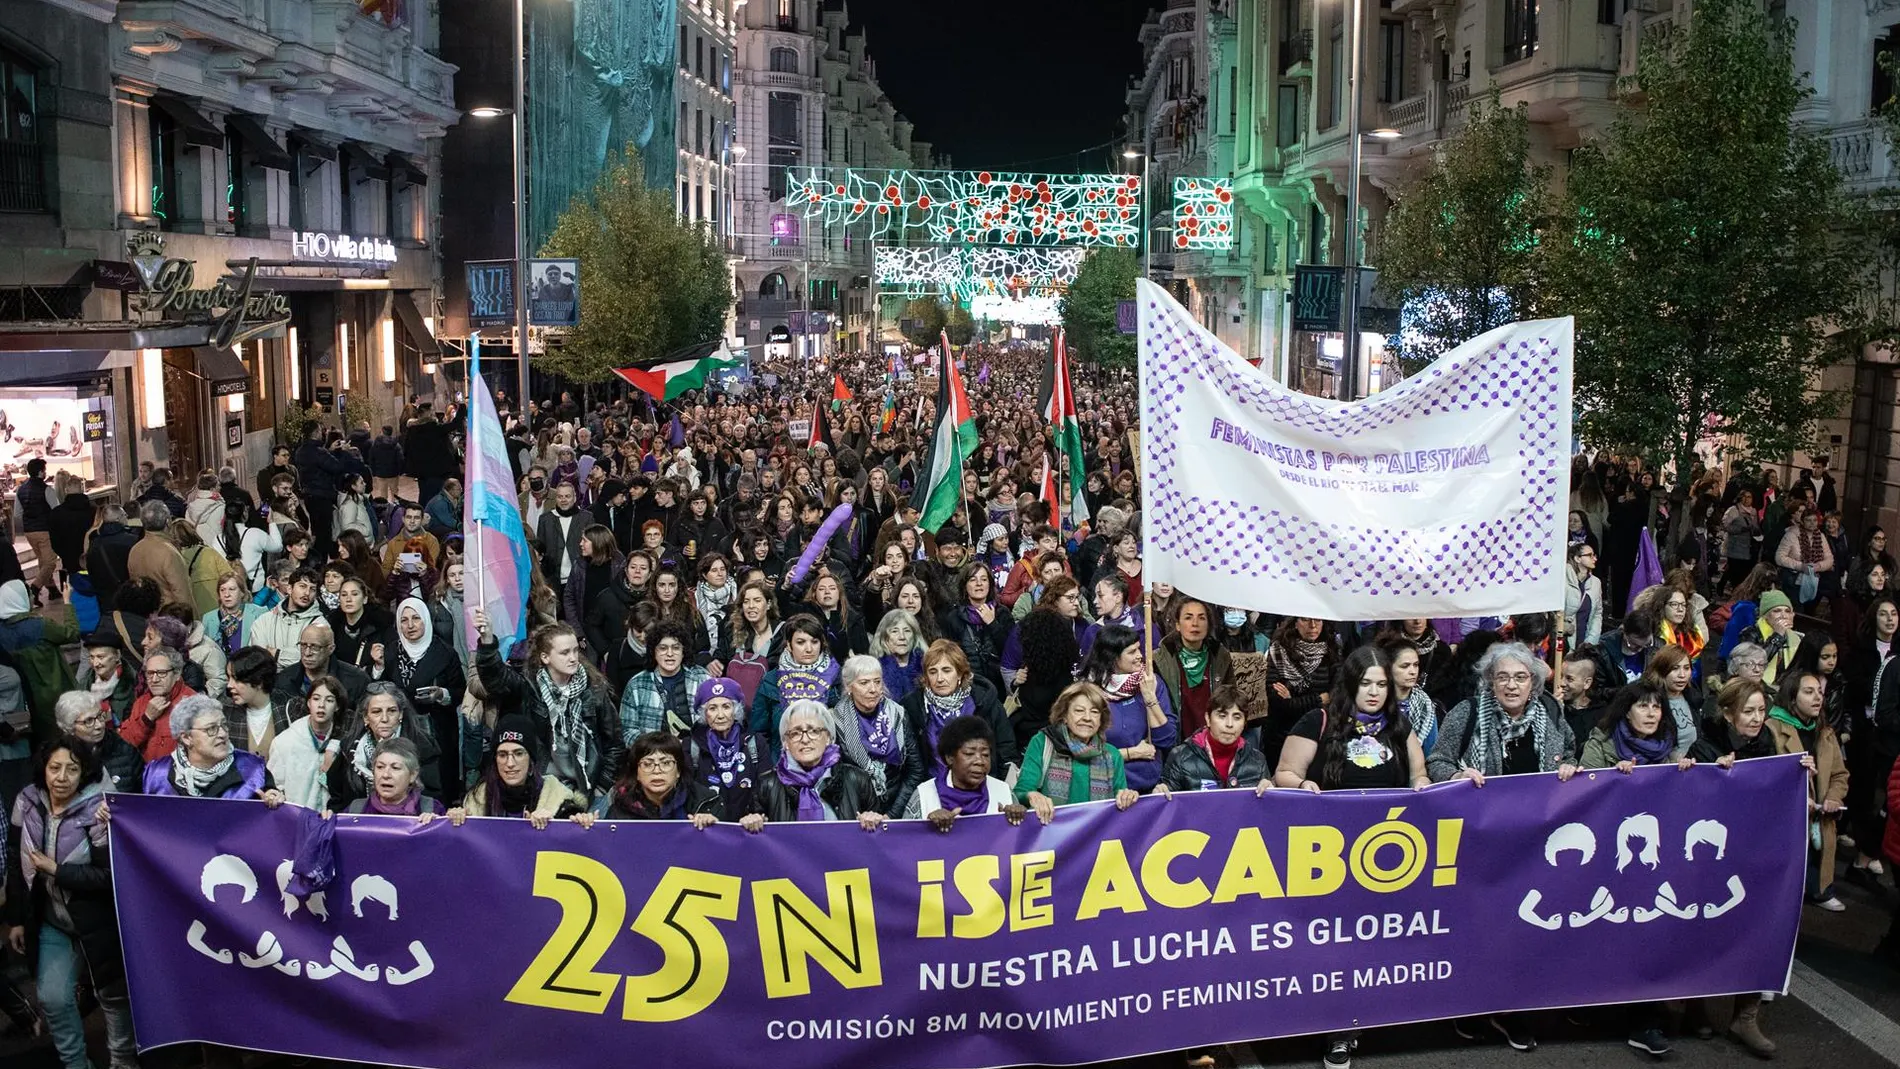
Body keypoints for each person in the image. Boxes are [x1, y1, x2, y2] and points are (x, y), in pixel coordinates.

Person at [4, 735, 138, 1069]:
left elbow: (110, 878)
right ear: (43, 769)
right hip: (53, 921)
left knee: (114, 998)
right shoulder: (27, 801)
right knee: (52, 998)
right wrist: (17, 918)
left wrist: (57, 871)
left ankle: (122, 1062)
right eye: (55, 768)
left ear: (84, 772)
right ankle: (76, 1064)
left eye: (72, 769)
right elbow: (16, 860)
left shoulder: (99, 810)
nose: (62, 777)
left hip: (100, 923)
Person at [474, 609, 625, 803]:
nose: (573, 658)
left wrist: (601, 787)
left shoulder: (594, 691)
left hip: (586, 787)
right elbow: (496, 678)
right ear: (545, 657)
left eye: (575, 650)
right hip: (541, 788)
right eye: (564, 653)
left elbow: (614, 744)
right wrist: (487, 641)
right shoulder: (529, 688)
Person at [1429, 642, 1581, 785]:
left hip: (1541, 803)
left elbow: (1567, 755)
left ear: (1533, 681)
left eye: (1520, 677)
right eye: (1502, 677)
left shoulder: (1550, 710)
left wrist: (1567, 767)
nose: (1511, 685)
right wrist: (1457, 776)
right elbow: (1437, 762)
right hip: (1483, 803)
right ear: (1491, 681)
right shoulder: (1467, 712)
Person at [1765, 667, 1850, 911]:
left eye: (1819, 692)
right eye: (1809, 692)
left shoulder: (1825, 732)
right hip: (1787, 820)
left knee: (1818, 857)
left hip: (1820, 817)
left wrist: (1833, 797)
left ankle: (1821, 891)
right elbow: (1768, 778)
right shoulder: (1771, 730)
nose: (1817, 698)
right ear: (1792, 697)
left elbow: (1840, 774)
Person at [372, 595, 464, 791]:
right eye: (404, 620)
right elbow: (380, 689)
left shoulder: (445, 653)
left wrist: (441, 694)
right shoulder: (391, 652)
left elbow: (459, 691)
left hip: (437, 729)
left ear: (426, 620)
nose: (410, 625)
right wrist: (378, 667)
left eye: (416, 618)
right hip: (401, 730)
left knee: (438, 784)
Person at [1014, 681, 1141, 821]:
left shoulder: (1111, 755)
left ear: (1101, 719)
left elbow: (1121, 803)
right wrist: (1032, 796)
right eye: (1079, 711)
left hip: (1098, 831)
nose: (1087, 718)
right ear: (1064, 716)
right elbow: (1021, 792)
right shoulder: (1042, 743)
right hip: (1050, 830)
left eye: (1094, 712)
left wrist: (1127, 797)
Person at [754, 700, 885, 827]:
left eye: (814, 731)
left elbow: (878, 835)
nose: (805, 739)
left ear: (828, 738)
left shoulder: (856, 779)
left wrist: (873, 819)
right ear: (785, 743)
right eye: (795, 733)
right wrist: (752, 822)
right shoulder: (767, 785)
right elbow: (755, 835)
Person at [1081, 625, 1176, 794]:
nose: (1140, 656)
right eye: (1132, 652)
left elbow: (1167, 740)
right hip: (1105, 787)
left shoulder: (1150, 682)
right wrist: (1132, 753)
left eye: (1139, 649)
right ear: (1112, 658)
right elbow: (1083, 753)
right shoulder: (1088, 693)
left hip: (1150, 785)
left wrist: (1150, 698)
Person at [899, 639, 1015, 777]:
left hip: (982, 782)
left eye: (946, 670)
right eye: (933, 672)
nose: (940, 678)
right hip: (932, 784)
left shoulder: (985, 701)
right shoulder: (913, 706)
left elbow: (1006, 750)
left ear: (960, 673)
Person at [829, 654, 925, 817]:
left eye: (877, 681)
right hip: (855, 812)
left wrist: (891, 815)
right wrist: (860, 815)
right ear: (849, 686)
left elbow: (915, 771)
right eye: (864, 683)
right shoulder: (835, 722)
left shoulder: (898, 714)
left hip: (895, 809)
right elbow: (835, 778)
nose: (873, 689)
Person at [142, 694, 284, 802]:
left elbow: (271, 807)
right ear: (186, 738)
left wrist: (274, 798)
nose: (222, 734)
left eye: (223, 725)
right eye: (211, 729)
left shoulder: (253, 770)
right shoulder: (156, 774)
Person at [326, 683, 443, 810]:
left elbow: (433, 797)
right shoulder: (350, 748)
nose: (385, 718)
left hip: (410, 819)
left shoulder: (423, 747)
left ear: (401, 714)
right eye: (376, 712)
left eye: (392, 711)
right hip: (360, 820)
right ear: (366, 717)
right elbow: (337, 794)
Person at [461, 715, 591, 824]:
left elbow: (574, 839)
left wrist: (578, 822)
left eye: (518, 753)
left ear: (531, 760)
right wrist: (456, 821)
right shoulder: (477, 802)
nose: (510, 763)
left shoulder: (558, 798)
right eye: (502, 755)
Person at [904, 714, 1028, 827]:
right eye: (969, 754)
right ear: (949, 757)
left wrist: (1016, 821)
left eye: (985, 754)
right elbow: (905, 840)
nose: (979, 761)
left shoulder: (1003, 792)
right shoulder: (924, 795)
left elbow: (1024, 841)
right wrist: (926, 827)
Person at [679, 677, 770, 820]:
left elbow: (767, 788)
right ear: (704, 713)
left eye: (726, 707)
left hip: (748, 827)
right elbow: (685, 792)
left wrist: (756, 814)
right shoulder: (690, 746)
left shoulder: (756, 743)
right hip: (706, 828)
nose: (720, 715)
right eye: (712, 708)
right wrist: (699, 814)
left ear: (736, 710)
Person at [0, 578, 78, 740]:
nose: (32, 598)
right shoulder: (40, 625)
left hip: (27, 699)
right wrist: (67, 602)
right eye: (29, 594)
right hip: (57, 691)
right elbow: (72, 634)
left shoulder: (2, 633)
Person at [749, 614, 842, 746]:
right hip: (781, 755)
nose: (809, 649)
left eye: (814, 641)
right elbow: (758, 733)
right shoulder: (771, 680)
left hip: (827, 755)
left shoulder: (837, 677)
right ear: (789, 645)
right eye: (800, 642)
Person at [1158, 684, 1271, 792]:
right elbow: (1167, 801)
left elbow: (1266, 804)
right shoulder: (1180, 757)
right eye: (1222, 716)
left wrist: (1270, 794)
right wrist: (1160, 793)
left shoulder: (1258, 761)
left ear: (1244, 723)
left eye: (1237, 717)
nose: (1229, 724)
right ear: (1208, 719)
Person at [1258, 615, 1334, 766]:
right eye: (1305, 620)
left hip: (1318, 732)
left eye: (1318, 620)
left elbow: (1335, 695)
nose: (1313, 625)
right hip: (1281, 735)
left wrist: (1292, 701)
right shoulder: (1278, 651)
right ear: (1295, 623)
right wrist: (1319, 699)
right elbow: (1278, 701)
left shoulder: (1332, 651)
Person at [619, 620, 712, 740]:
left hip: (697, 748)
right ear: (654, 651)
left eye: (676, 648)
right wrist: (656, 748)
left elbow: (715, 722)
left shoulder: (703, 678)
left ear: (683, 652)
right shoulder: (637, 684)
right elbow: (627, 731)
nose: (670, 653)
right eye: (663, 648)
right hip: (653, 750)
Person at [938, 562, 1012, 694]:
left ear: (990, 584)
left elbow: (1010, 651)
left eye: (984, 579)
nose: (979, 584)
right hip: (967, 686)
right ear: (965, 586)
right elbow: (950, 656)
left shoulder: (1003, 613)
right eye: (973, 580)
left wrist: (992, 623)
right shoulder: (954, 617)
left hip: (1000, 686)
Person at [337, 737, 452, 820]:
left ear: (413, 775)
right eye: (380, 767)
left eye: (395, 768)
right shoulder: (356, 811)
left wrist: (448, 821)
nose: (386, 775)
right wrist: (328, 821)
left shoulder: (431, 809)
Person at [116, 647, 196, 762]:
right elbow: (123, 745)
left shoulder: (194, 705)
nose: (154, 679)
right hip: (145, 771)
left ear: (177, 674)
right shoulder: (141, 702)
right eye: (150, 673)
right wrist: (146, 719)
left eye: (162, 673)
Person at [52, 691, 141, 792]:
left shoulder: (125, 751)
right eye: (88, 721)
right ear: (70, 727)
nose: (99, 725)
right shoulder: (56, 759)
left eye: (100, 716)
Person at [272, 620, 371, 709]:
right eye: (303, 645)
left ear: (331, 649)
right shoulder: (283, 680)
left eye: (315, 647)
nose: (307, 653)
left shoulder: (356, 680)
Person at [250, 567, 323, 667]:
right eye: (302, 586)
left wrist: (277, 654)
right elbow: (258, 657)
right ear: (289, 589)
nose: (307, 593)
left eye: (312, 589)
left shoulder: (320, 624)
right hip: (268, 676)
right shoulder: (264, 620)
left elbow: (314, 659)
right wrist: (295, 656)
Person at [1640, 645, 1700, 757]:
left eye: (1686, 668)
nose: (1682, 675)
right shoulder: (1649, 702)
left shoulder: (1693, 698)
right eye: (1675, 668)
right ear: (1661, 670)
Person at [83, 504, 140, 612]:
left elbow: (91, 571)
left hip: (105, 598)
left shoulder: (94, 544)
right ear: (118, 519)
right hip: (129, 595)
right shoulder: (132, 540)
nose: (127, 517)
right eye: (124, 515)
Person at [15, 457, 57, 603]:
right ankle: (35, 588)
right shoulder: (47, 490)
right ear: (40, 472)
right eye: (44, 470)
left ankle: (52, 589)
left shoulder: (21, 489)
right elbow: (56, 510)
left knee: (42, 560)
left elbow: (17, 514)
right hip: (45, 530)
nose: (45, 473)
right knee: (50, 562)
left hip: (29, 531)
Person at [872, 608, 925, 702]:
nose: (902, 637)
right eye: (894, 631)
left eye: (907, 631)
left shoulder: (926, 666)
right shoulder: (874, 670)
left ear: (914, 636)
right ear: (884, 638)